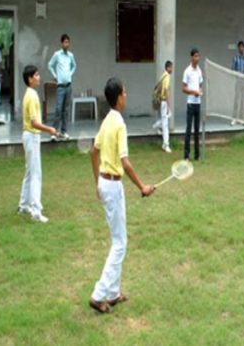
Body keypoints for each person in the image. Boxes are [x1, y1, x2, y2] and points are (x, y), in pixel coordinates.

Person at [89, 77, 155, 314]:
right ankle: (99, 295)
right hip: (113, 185)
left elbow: (93, 152)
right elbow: (125, 163)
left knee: (120, 238)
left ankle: (113, 294)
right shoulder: (118, 124)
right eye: (125, 93)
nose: (126, 96)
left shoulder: (107, 120)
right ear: (118, 98)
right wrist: (142, 187)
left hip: (107, 184)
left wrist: (98, 182)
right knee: (119, 244)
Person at [17, 65, 58, 223]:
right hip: (32, 136)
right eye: (36, 75)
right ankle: (36, 211)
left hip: (29, 136)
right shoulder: (32, 96)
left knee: (29, 171)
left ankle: (23, 205)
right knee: (35, 174)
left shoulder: (29, 94)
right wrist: (50, 129)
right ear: (30, 79)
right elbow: (34, 123)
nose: (39, 77)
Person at [48, 34, 77, 141]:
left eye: (68, 42)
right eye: (65, 42)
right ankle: (54, 132)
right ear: (61, 43)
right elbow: (50, 65)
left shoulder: (70, 55)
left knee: (65, 109)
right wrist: (55, 76)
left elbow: (74, 66)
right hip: (60, 86)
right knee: (58, 109)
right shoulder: (57, 54)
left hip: (68, 85)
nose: (67, 44)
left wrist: (70, 74)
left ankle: (64, 131)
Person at [183, 48, 203, 161]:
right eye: (195, 56)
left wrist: (199, 91)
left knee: (197, 130)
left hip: (198, 103)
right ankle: (186, 155)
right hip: (190, 103)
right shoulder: (187, 71)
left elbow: (200, 85)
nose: (197, 58)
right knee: (188, 130)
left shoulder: (199, 71)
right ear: (191, 57)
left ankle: (197, 155)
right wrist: (193, 92)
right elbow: (183, 88)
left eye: (198, 56)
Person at [153, 61, 173, 153]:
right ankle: (166, 144)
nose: (172, 69)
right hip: (164, 101)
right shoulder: (167, 77)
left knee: (166, 118)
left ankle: (158, 124)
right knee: (165, 124)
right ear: (168, 68)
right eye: (171, 67)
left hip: (161, 101)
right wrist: (168, 105)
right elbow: (166, 91)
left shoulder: (163, 75)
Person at [231, 41, 244, 126]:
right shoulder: (235, 58)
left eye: (242, 47)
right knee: (236, 100)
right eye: (240, 47)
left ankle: (241, 119)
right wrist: (238, 75)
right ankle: (234, 118)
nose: (241, 48)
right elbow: (232, 69)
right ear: (238, 48)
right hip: (237, 81)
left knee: (243, 100)